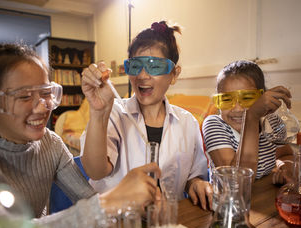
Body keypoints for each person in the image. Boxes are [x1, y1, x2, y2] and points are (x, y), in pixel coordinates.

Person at [0, 43, 160, 221]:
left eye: (45, 93)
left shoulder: (51, 143)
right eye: (24, 96)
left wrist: (133, 207)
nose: (42, 107)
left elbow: (87, 199)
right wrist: (109, 202)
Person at [80, 21, 211, 210]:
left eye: (154, 66)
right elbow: (96, 170)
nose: (142, 75)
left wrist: (196, 184)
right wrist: (99, 113)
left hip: (165, 225)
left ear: (174, 74)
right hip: (119, 224)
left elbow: (193, 175)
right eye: (135, 66)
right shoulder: (114, 112)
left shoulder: (187, 123)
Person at [202, 60, 294, 183]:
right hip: (228, 199)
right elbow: (236, 182)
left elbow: (285, 155)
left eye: (247, 98)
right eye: (226, 99)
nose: (237, 109)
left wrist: (285, 168)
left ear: (263, 98)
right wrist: (251, 117)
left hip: (261, 195)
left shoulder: (271, 123)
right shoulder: (214, 124)